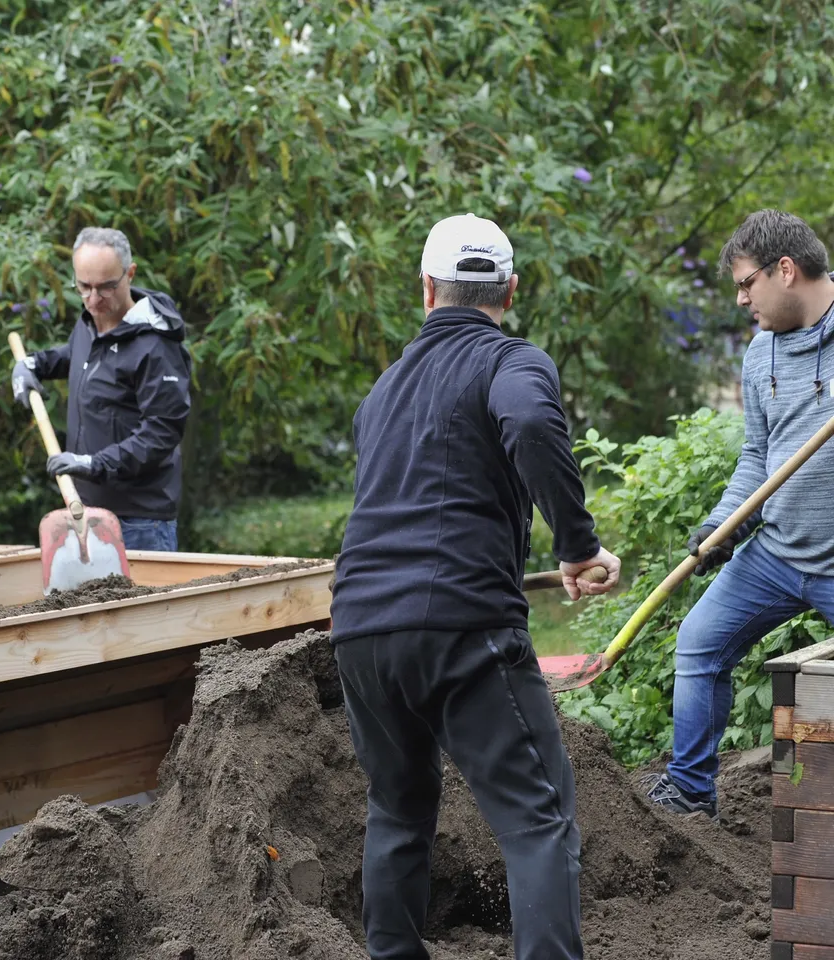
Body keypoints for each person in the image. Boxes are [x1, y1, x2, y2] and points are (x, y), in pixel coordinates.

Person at [329, 213, 621, 960]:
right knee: (537, 817)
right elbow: (527, 422)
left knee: (397, 811)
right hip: (462, 623)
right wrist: (579, 546)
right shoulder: (511, 363)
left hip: (360, 628)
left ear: (425, 290)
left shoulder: (384, 391)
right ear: (511, 291)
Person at [644, 209, 834, 820]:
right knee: (699, 644)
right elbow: (759, 456)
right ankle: (691, 792)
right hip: (776, 554)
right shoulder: (760, 356)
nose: (739, 297)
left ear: (785, 270)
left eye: (746, 283)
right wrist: (725, 524)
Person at [11, 227, 192, 552]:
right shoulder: (91, 322)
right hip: (85, 511)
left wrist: (95, 464)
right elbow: (81, 357)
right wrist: (34, 364)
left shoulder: (155, 347)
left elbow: (161, 434)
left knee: (143, 605)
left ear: (129, 273)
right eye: (84, 287)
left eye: (106, 287)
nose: (94, 299)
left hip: (139, 522)